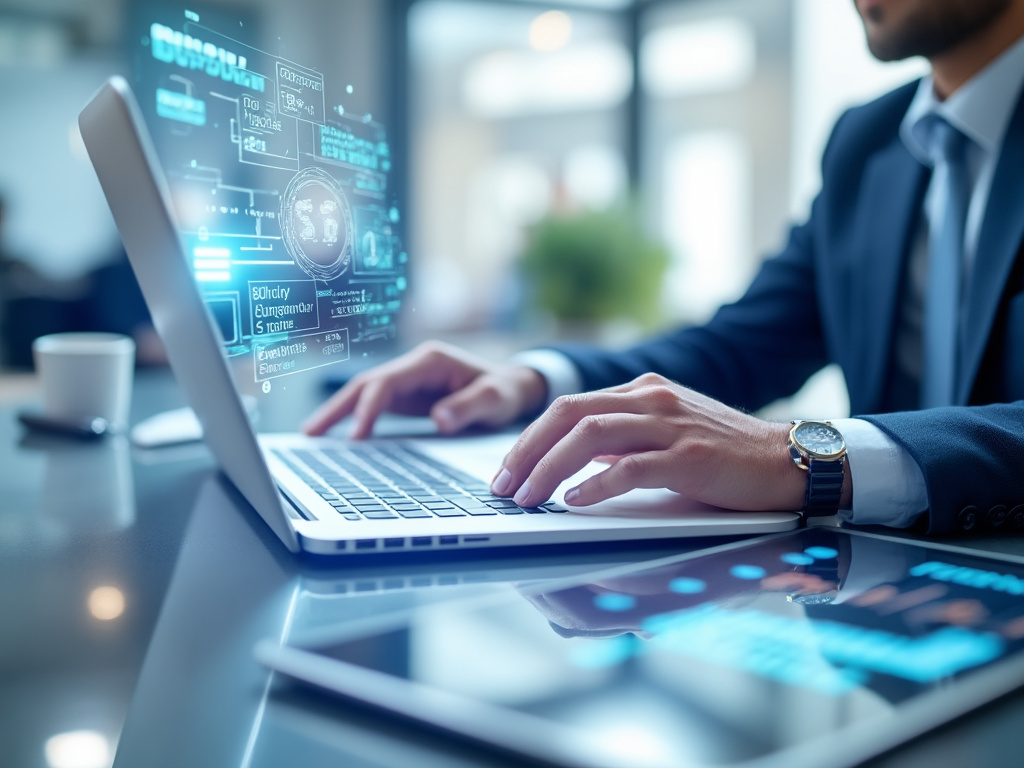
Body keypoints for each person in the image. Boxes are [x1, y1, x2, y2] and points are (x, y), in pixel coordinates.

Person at [304, 0, 1024, 536]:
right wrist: (535, 381)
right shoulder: (869, 146)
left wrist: (805, 458)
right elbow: (738, 347)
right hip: (893, 608)